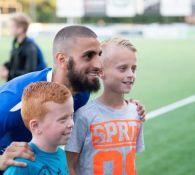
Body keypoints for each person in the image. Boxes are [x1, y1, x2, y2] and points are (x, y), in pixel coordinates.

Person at [0, 26, 145, 174]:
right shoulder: (12, 101)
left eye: (99, 55)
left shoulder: (81, 92)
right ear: (62, 60)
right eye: (88, 56)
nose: (98, 64)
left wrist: (129, 107)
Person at [66, 37, 145, 175]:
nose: (131, 74)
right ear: (101, 72)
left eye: (133, 69)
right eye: (123, 68)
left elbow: (131, 162)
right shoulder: (84, 115)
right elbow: (69, 164)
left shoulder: (136, 112)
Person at [4, 82, 73, 175]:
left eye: (71, 116)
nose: (71, 124)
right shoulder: (21, 165)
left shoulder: (63, 155)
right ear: (36, 126)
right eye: (63, 119)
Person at [0, 13, 46, 81]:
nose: (9, 28)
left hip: (36, 86)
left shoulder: (30, 47)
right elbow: (15, 61)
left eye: (12, 26)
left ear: (20, 29)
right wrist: (5, 66)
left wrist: (9, 74)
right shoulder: (16, 42)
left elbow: (30, 74)